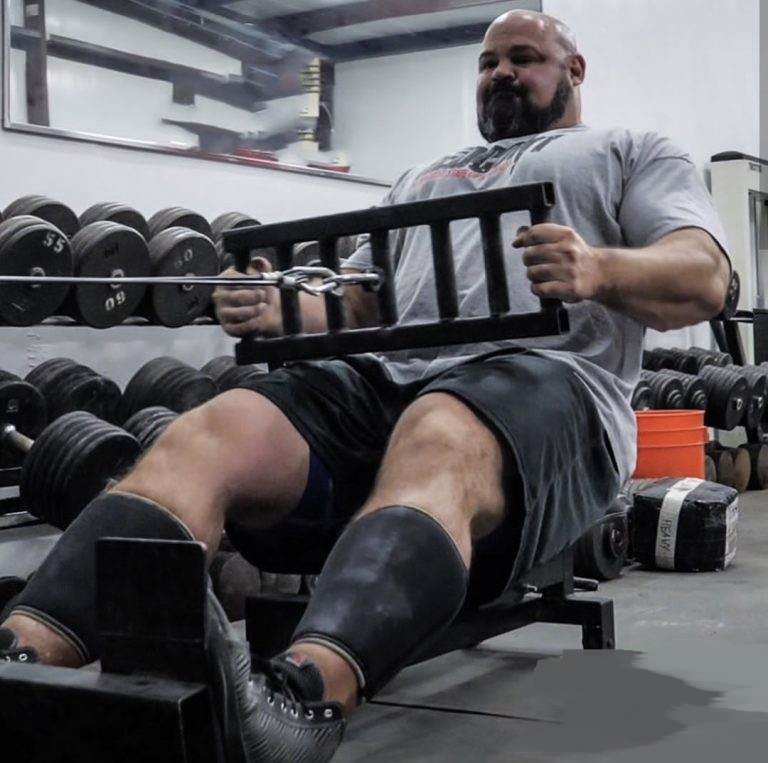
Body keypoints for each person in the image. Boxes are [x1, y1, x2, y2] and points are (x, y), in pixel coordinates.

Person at [0, 8, 731, 763]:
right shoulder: (421, 176)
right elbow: (361, 301)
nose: (502, 73)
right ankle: (23, 654)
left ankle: (300, 701)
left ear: (574, 70)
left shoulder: (627, 151)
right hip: (390, 382)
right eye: (488, 63)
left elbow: (706, 276)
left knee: (441, 425)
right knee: (213, 429)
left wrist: (600, 267)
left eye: (524, 58)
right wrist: (281, 310)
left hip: (550, 388)